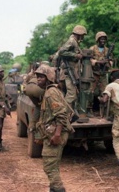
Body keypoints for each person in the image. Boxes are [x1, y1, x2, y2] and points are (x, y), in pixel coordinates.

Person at [35, 64, 74, 192]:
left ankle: (58, 189)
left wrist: (57, 134)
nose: (38, 79)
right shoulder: (51, 91)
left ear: (49, 78)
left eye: (41, 76)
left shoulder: (51, 92)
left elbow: (61, 114)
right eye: (37, 76)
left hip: (56, 135)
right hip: (53, 134)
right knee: (53, 166)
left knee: (49, 167)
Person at [58, 25, 87, 116]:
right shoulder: (71, 41)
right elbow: (61, 52)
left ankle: (69, 113)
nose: (83, 37)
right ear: (79, 34)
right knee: (71, 94)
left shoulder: (75, 42)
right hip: (68, 71)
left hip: (73, 72)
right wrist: (75, 55)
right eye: (82, 35)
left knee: (74, 93)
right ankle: (64, 114)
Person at [89, 31, 113, 116]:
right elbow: (90, 60)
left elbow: (111, 61)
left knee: (105, 92)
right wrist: (98, 62)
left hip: (103, 74)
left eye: (104, 39)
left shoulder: (107, 50)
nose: (103, 41)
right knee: (91, 91)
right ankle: (89, 109)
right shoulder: (92, 49)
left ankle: (104, 110)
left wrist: (108, 63)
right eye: (101, 39)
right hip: (94, 73)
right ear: (98, 40)